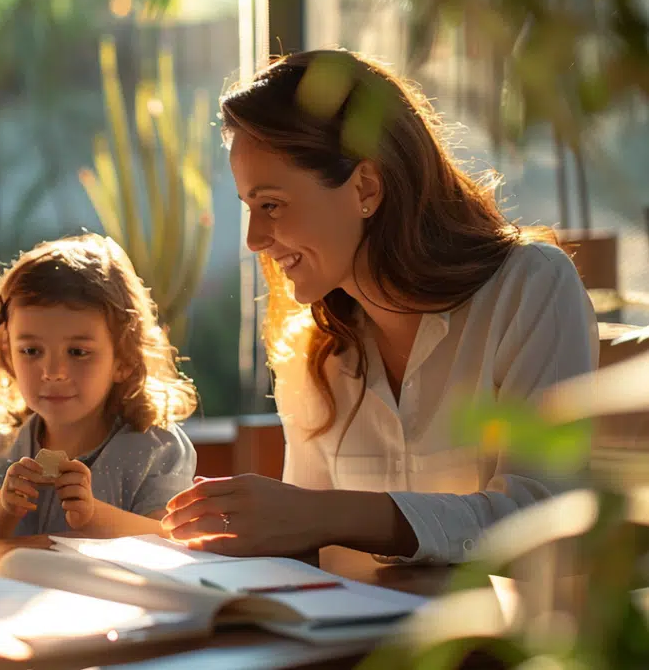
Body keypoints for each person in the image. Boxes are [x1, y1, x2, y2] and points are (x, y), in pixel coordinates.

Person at [163, 50, 598, 564]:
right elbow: (300, 547)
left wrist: (326, 514)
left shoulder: (530, 287)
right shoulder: (309, 347)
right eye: (249, 209)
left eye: (271, 205)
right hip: (348, 641)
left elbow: (541, 518)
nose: (256, 239)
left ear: (365, 187)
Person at [0, 234, 199, 541]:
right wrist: (1, 507)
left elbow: (171, 540)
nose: (53, 373)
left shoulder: (155, 448)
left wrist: (94, 517)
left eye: (77, 352)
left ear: (122, 359)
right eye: (31, 351)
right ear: (8, 355)